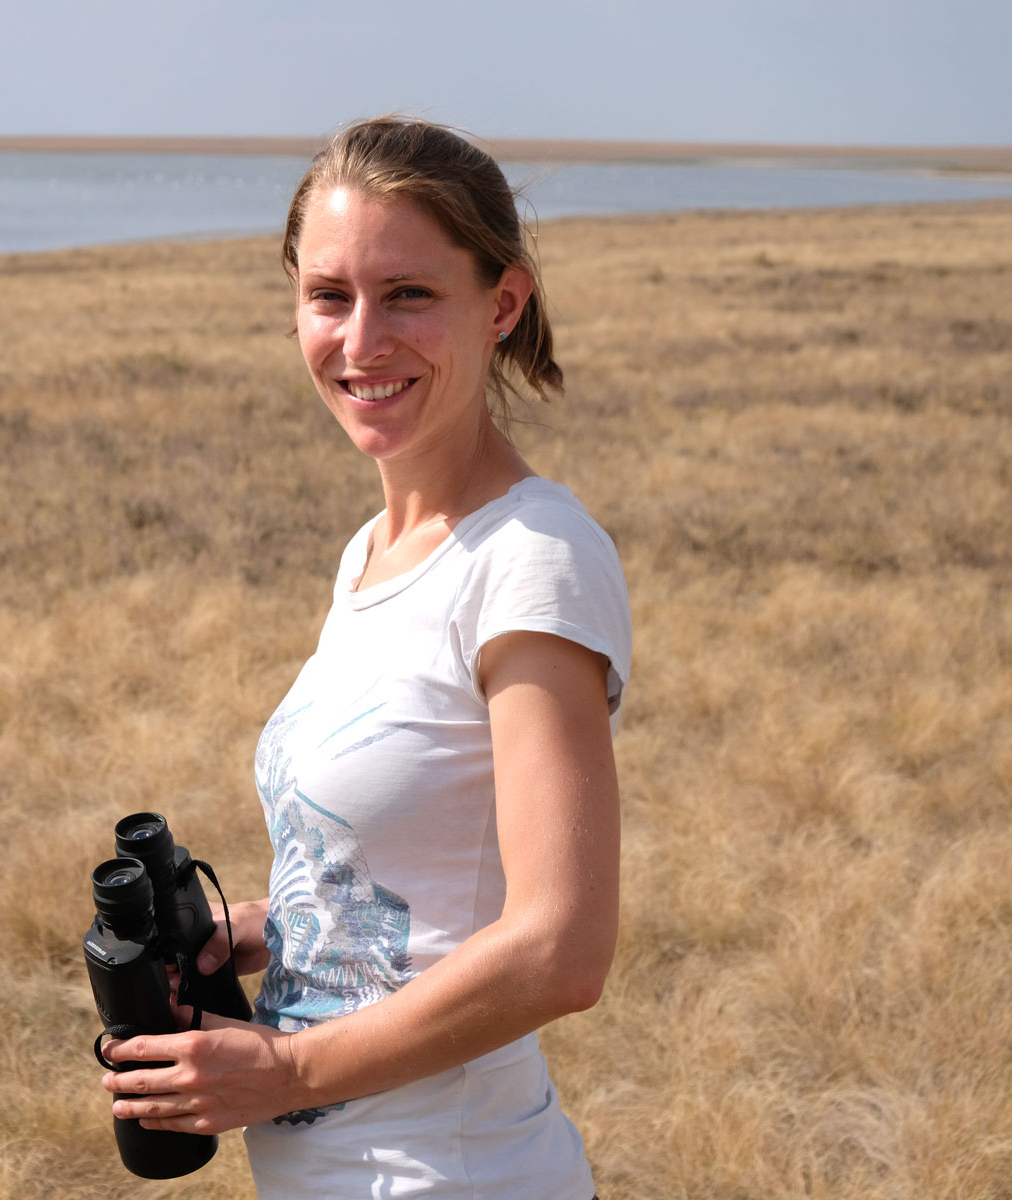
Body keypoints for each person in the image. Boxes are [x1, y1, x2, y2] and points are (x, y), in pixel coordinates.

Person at [100, 115, 631, 1199]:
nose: (361, 340)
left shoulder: (532, 561)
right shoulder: (374, 554)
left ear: (504, 303)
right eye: (329, 296)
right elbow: (435, 871)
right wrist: (275, 927)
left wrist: (286, 1069)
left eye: (410, 296)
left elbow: (561, 949)